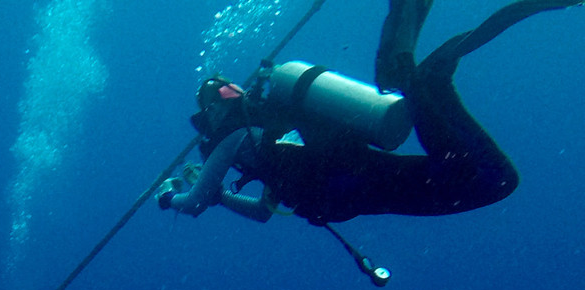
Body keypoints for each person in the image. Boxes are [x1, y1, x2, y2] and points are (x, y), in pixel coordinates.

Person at [158, 1, 582, 228]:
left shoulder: (236, 139)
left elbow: (194, 203)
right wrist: (224, 195)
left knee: (495, 180)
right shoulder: (272, 130)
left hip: (366, 187)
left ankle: (415, 77)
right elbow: (263, 211)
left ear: (212, 111)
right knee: (483, 172)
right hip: (369, 175)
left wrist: (169, 195)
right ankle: (417, 78)